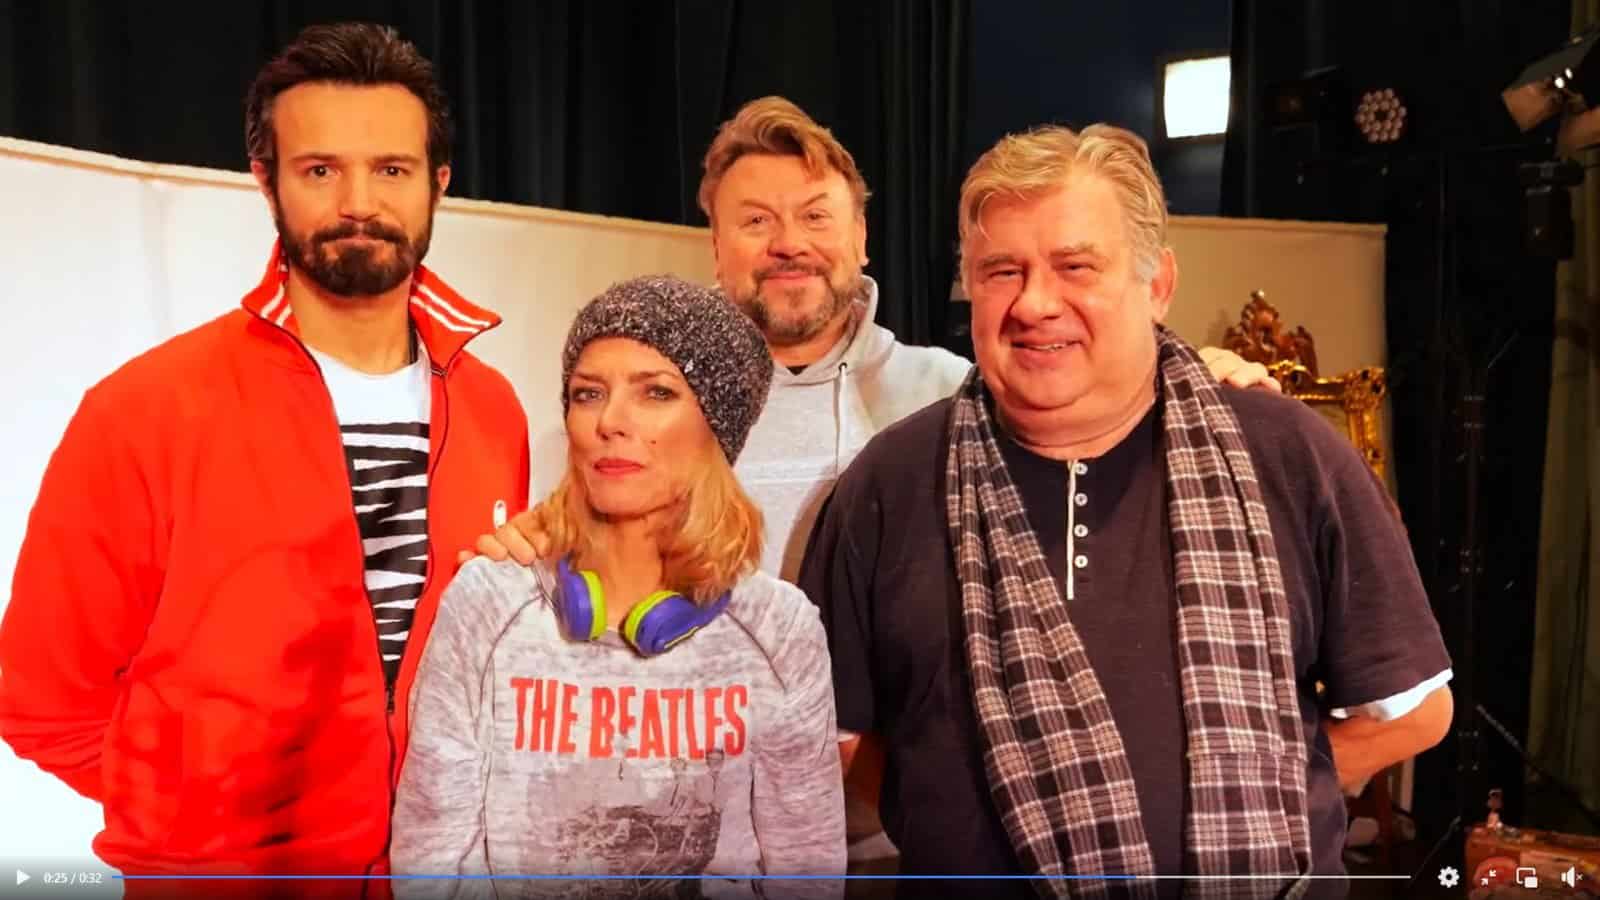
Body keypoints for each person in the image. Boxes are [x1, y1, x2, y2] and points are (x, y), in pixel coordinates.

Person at [482, 96, 1281, 867]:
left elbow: (1098, 388)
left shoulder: (958, 394)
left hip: (893, 852)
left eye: (815, 216)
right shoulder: (633, 414)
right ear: (715, 247)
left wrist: (1194, 379)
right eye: (755, 221)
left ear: (862, 236)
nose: (787, 243)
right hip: (682, 839)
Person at [796, 124, 1453, 899]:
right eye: (1002, 271)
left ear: (1158, 283)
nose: (1035, 303)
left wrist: (1271, 795)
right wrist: (963, 819)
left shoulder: (1290, 454)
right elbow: (834, 732)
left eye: (1075, 266)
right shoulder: (889, 483)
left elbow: (1413, 712)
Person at [0, 23, 528, 893]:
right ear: (265, 180)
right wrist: (195, 821)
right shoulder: (146, 409)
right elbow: (42, 703)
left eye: (391, 170)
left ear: (439, 183)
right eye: (320, 170)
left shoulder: (491, 409)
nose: (358, 202)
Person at [392, 275, 844, 898]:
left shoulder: (780, 630)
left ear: (718, 425)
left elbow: (807, 876)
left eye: (656, 392)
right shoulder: (486, 603)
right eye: (589, 393)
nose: (610, 421)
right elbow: (430, 864)